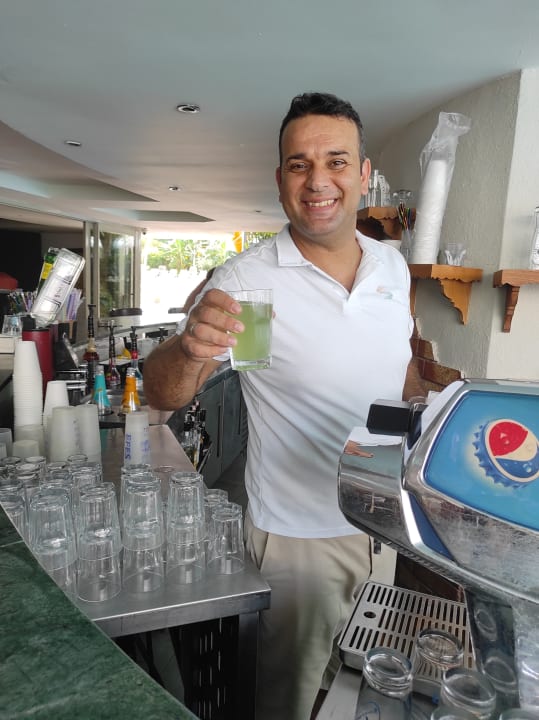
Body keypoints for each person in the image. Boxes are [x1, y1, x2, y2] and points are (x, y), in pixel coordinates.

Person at [144, 91, 425, 720]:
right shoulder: (246, 280)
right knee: (289, 703)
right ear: (280, 180)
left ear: (363, 173)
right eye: (300, 164)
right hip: (299, 539)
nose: (318, 180)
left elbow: (399, 355)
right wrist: (189, 348)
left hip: (385, 525)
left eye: (336, 161)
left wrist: (419, 401)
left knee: (359, 695)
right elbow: (163, 394)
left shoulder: (391, 265)